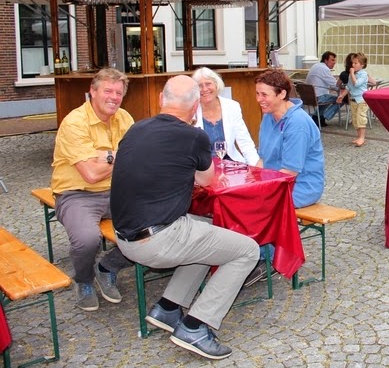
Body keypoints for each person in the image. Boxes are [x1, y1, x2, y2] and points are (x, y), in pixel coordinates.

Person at [110, 75, 259, 360]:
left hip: (124, 236)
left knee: (207, 228)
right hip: (157, 240)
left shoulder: (136, 128)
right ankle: (196, 326)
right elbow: (206, 179)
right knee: (247, 251)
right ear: (195, 108)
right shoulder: (194, 136)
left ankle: (168, 307)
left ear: (160, 100)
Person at [51, 68, 134, 311]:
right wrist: (121, 155)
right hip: (77, 194)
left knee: (155, 225)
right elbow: (90, 174)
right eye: (108, 91)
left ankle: (107, 267)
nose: (114, 97)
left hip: (118, 190)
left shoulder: (125, 118)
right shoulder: (74, 122)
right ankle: (84, 279)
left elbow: (137, 156)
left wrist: (104, 156)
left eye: (118, 93)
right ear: (92, 92)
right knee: (87, 240)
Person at [245, 69, 324, 284]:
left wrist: (259, 190)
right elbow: (263, 159)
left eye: (264, 94)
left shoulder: (297, 123)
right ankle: (249, 255)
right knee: (240, 200)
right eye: (257, 94)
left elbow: (289, 173)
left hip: (302, 185)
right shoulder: (269, 116)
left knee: (260, 206)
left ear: (281, 94)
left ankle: (267, 259)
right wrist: (249, 181)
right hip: (275, 181)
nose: (259, 99)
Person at [192, 67, 260, 165]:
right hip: (203, 167)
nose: (204, 89)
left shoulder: (232, 106)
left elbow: (245, 142)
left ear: (216, 85)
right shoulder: (191, 110)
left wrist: (257, 168)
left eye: (208, 84)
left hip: (231, 165)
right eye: (200, 86)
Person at [305, 51, 342, 126]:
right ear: (325, 60)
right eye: (332, 60)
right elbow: (335, 86)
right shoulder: (324, 69)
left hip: (309, 97)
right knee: (342, 99)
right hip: (318, 97)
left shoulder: (316, 66)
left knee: (327, 96)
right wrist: (346, 88)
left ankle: (317, 117)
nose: (334, 62)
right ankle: (325, 116)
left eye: (335, 60)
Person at [347, 52, 370, 147]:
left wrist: (352, 74)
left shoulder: (364, 74)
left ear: (362, 65)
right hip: (353, 99)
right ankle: (359, 136)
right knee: (355, 118)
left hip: (362, 99)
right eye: (352, 63)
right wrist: (341, 96)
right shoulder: (352, 74)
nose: (353, 65)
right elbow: (349, 86)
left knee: (361, 117)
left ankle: (362, 138)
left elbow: (356, 84)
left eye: (356, 63)